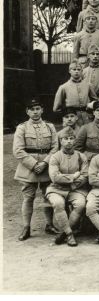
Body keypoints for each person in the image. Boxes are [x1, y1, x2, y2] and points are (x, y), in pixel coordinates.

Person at [13, 98, 59, 241]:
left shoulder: (50, 126)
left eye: (38, 109)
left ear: (42, 110)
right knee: (28, 197)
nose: (35, 112)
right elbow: (18, 150)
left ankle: (49, 224)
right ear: (27, 111)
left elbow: (55, 147)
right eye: (32, 109)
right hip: (28, 168)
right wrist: (34, 165)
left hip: (47, 165)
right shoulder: (22, 127)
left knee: (48, 195)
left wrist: (45, 163)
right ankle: (26, 227)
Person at [46, 127, 89, 247]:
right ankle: (69, 234)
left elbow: (85, 176)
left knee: (80, 204)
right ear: (61, 140)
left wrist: (72, 183)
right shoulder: (55, 157)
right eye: (66, 139)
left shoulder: (81, 156)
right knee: (58, 203)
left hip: (76, 189)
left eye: (71, 138)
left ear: (75, 140)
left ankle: (63, 234)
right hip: (56, 189)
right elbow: (55, 177)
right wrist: (73, 176)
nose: (69, 141)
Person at [53, 60, 96, 126]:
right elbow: (56, 108)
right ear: (69, 71)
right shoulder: (64, 87)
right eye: (74, 69)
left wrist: (90, 107)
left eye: (78, 69)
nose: (76, 71)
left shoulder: (88, 85)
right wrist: (67, 114)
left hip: (87, 118)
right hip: (71, 120)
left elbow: (95, 100)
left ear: (82, 71)